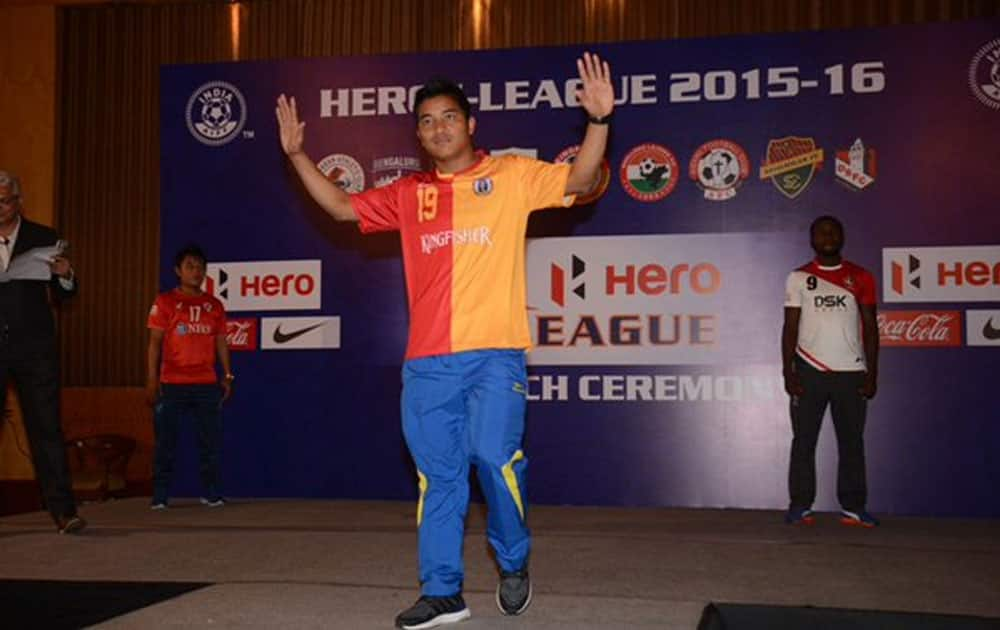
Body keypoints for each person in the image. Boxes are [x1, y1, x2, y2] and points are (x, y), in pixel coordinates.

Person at [276, 52, 613, 628]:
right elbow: (338, 206)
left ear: (471, 123)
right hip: (428, 365)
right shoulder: (408, 194)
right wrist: (297, 154)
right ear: (419, 134)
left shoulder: (510, 176)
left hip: (493, 354)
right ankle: (442, 592)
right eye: (427, 120)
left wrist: (599, 122)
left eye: (449, 116)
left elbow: (580, 180)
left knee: (493, 459)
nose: (439, 127)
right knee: (439, 478)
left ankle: (513, 561)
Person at [0, 170, 85, 534]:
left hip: (35, 349)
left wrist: (65, 274)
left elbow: (65, 294)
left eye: (3, 200)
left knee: (46, 429)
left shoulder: (43, 237)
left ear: (18, 202)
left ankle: (64, 512)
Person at [782, 215, 880, 528]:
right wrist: (788, 370)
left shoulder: (861, 276)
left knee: (852, 442)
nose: (828, 236)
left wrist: (872, 372)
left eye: (834, 230)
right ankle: (800, 506)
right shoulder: (797, 277)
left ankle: (853, 507)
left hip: (851, 373)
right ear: (812, 239)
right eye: (821, 231)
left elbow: (871, 328)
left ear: (843, 237)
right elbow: (790, 327)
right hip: (809, 370)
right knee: (804, 441)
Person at [145, 244, 233, 509]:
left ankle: (211, 493)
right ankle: (160, 496)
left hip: (206, 384)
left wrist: (227, 375)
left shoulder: (214, 305)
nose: (196, 272)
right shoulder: (165, 302)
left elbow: (221, 343)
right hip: (172, 384)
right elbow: (154, 344)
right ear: (178, 271)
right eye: (190, 266)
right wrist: (151, 380)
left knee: (210, 444)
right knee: (166, 444)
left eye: (200, 267)